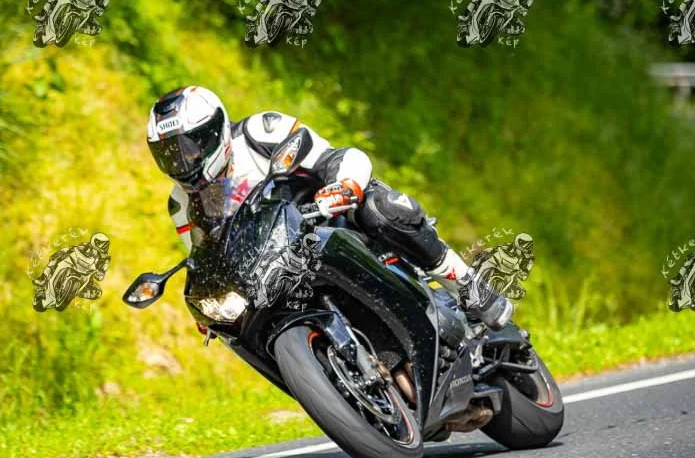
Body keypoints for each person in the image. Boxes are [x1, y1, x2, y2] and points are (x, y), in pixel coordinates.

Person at [145, 86, 515, 328]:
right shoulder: (181, 203)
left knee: (379, 208)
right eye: (169, 154)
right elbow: (205, 258)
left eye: (189, 147)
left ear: (215, 131)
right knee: (238, 325)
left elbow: (334, 157)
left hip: (330, 219)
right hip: (279, 268)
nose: (182, 162)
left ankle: (468, 286)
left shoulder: (260, 131)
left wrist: (345, 185)